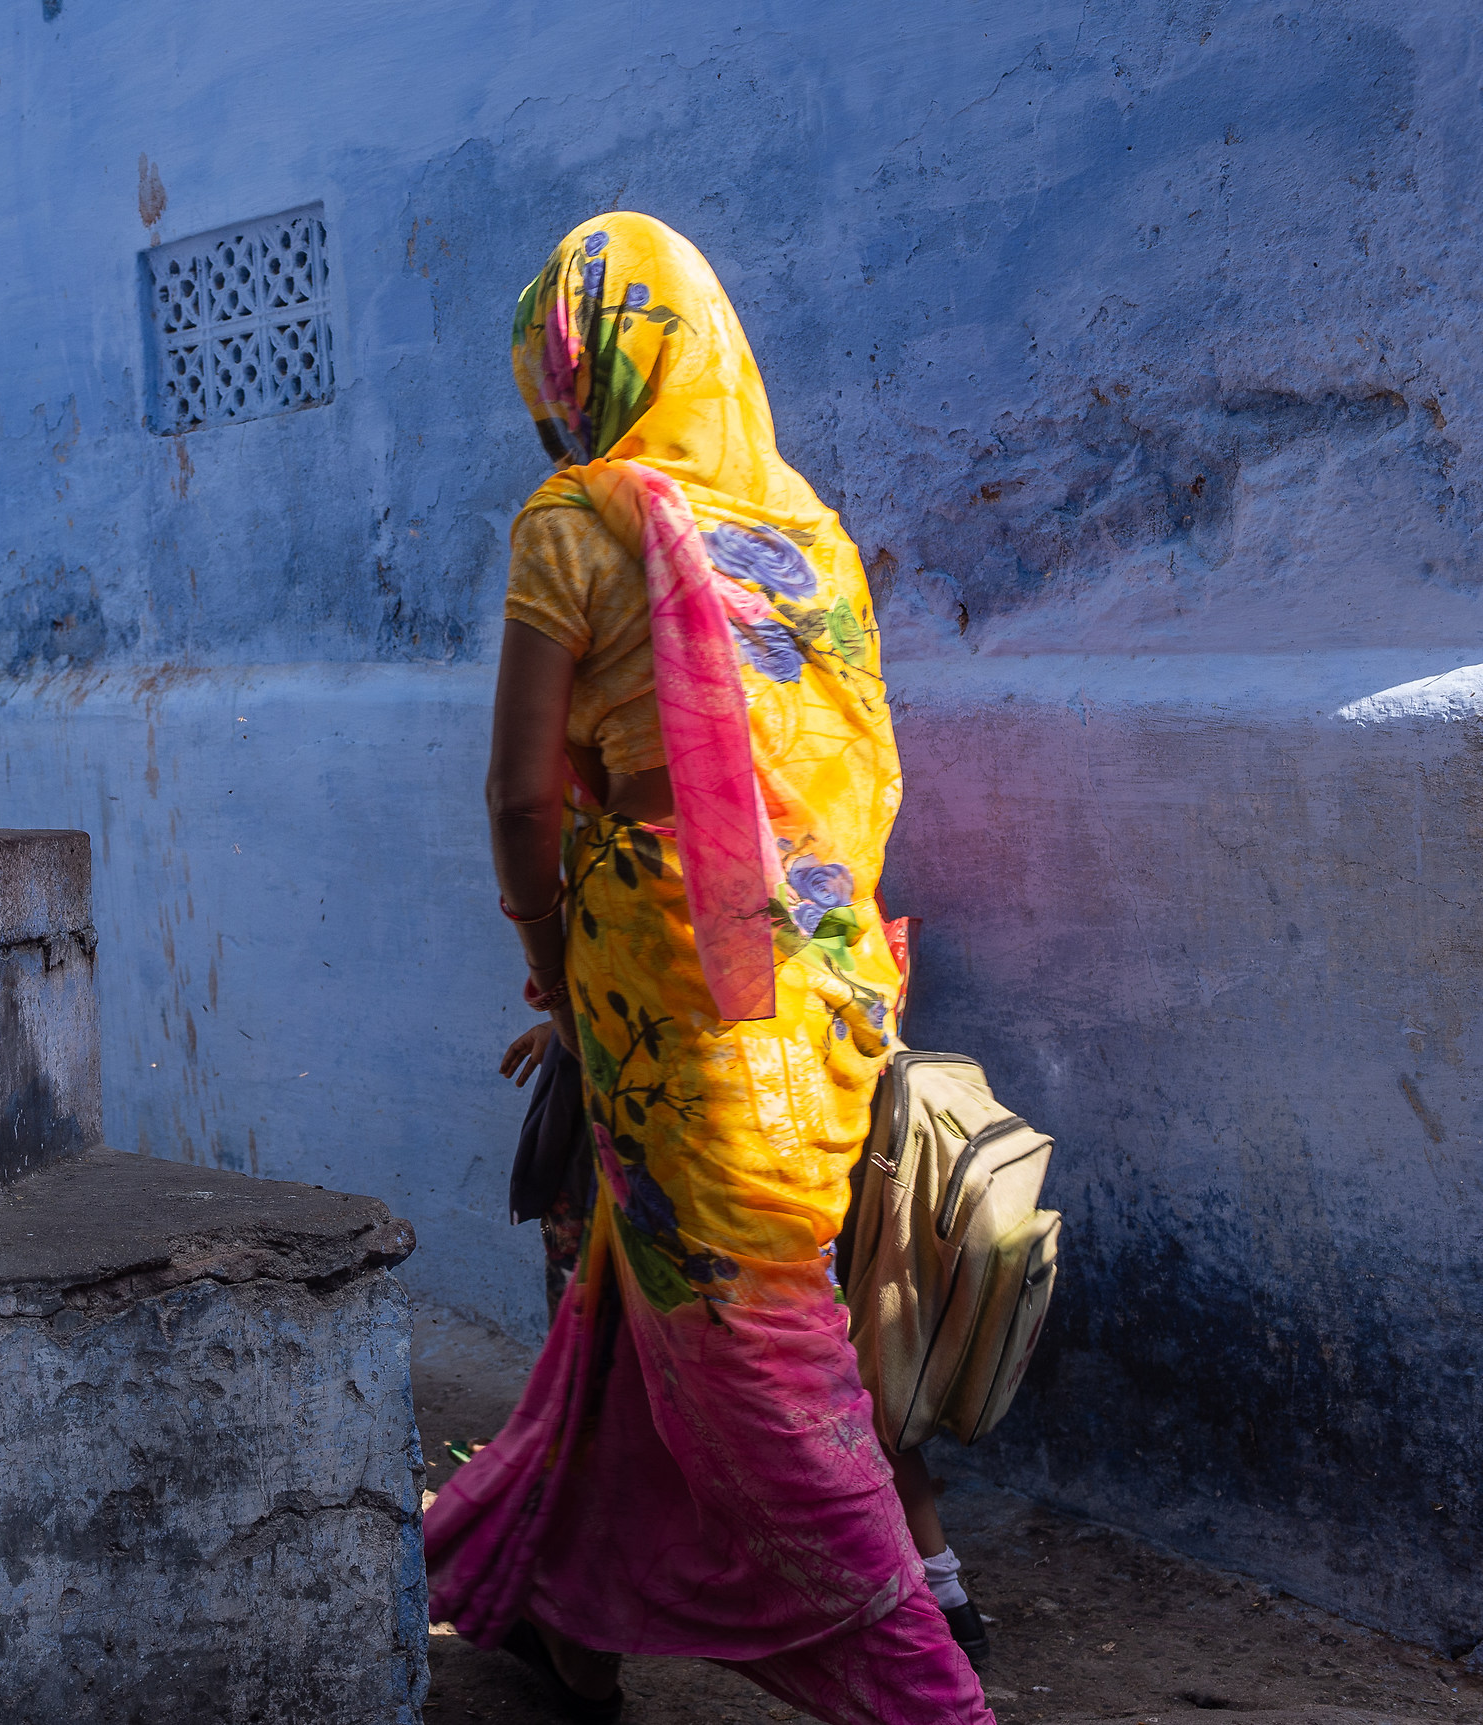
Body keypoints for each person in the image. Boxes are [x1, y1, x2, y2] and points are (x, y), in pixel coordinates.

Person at [425, 213, 994, 1725]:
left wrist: (557, 968)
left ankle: (918, 1681)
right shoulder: (803, 530)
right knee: (637, 1280)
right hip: (815, 991)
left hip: (666, 1003)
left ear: (587, 365)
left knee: (745, 1339)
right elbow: (849, 778)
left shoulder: (575, 520)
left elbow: (519, 798)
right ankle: (564, 1614)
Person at [499, 1021, 994, 1669]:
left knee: (618, 1409)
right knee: (839, 1395)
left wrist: (573, 1011)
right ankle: (943, 1601)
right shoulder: (824, 956)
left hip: (686, 1167)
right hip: (789, 1159)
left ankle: (582, 1652)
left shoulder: (667, 964)